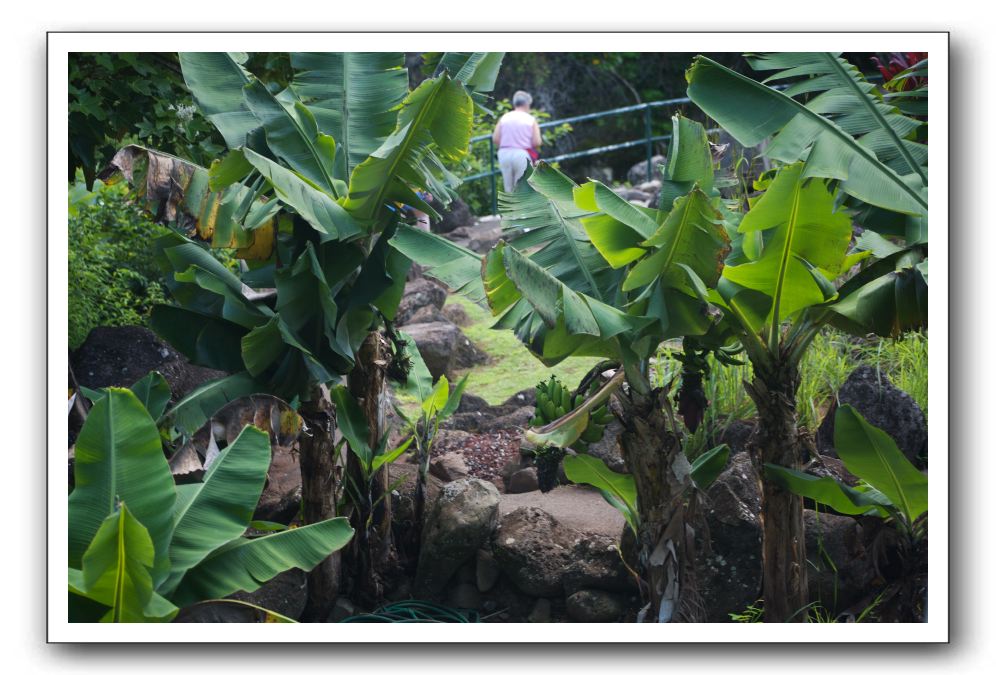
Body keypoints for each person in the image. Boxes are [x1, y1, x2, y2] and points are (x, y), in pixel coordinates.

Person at [493, 90, 542, 193]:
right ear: (527, 104)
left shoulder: (504, 117)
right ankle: (522, 209)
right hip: (522, 154)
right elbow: (537, 142)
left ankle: (510, 209)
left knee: (508, 188)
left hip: (504, 154)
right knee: (521, 188)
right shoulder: (530, 119)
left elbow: (495, 139)